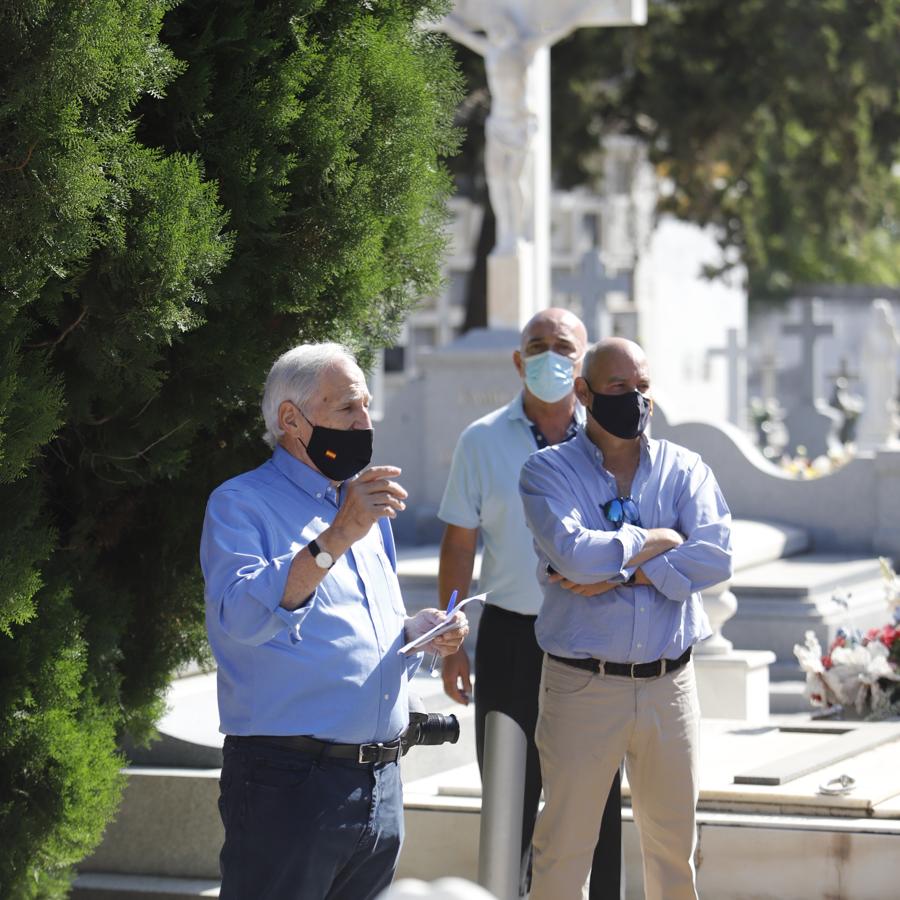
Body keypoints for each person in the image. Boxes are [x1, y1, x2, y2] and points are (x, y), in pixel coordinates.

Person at [200, 343, 468, 900]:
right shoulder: (241, 504)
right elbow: (240, 617)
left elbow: (363, 626)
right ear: (290, 421)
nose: (364, 422)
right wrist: (339, 535)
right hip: (290, 782)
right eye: (347, 408)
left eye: (366, 406)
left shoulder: (361, 507)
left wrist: (416, 631)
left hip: (380, 783)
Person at [519, 337, 733, 900]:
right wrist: (657, 540)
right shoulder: (546, 472)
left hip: (670, 686)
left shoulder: (686, 469)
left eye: (642, 387)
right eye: (618, 387)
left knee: (673, 852)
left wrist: (625, 572)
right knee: (563, 850)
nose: (634, 398)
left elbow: (715, 555)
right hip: (582, 685)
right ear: (584, 392)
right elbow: (572, 554)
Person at [437, 309, 622, 898]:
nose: (549, 356)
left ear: (583, 362)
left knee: (596, 797)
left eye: (562, 346)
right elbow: (459, 542)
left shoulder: (611, 440)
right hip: (511, 640)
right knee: (509, 797)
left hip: (595, 637)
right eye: (536, 346)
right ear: (518, 361)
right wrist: (451, 640)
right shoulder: (482, 440)